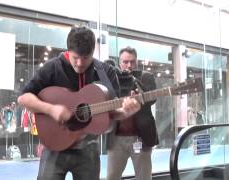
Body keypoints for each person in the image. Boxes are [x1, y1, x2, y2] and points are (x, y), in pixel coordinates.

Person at [17, 26, 141, 180]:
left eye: (86, 57)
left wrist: (125, 112)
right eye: (75, 57)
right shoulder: (53, 67)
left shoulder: (105, 72)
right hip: (54, 146)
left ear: (93, 52)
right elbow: (23, 98)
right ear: (68, 50)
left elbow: (112, 113)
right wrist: (51, 109)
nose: (81, 63)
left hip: (88, 150)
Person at [107, 47, 158, 180]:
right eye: (125, 62)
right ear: (119, 62)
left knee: (144, 177)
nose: (129, 65)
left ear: (136, 62)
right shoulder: (113, 78)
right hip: (116, 138)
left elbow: (153, 99)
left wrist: (135, 82)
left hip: (141, 137)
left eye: (132, 62)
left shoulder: (146, 76)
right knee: (112, 176)